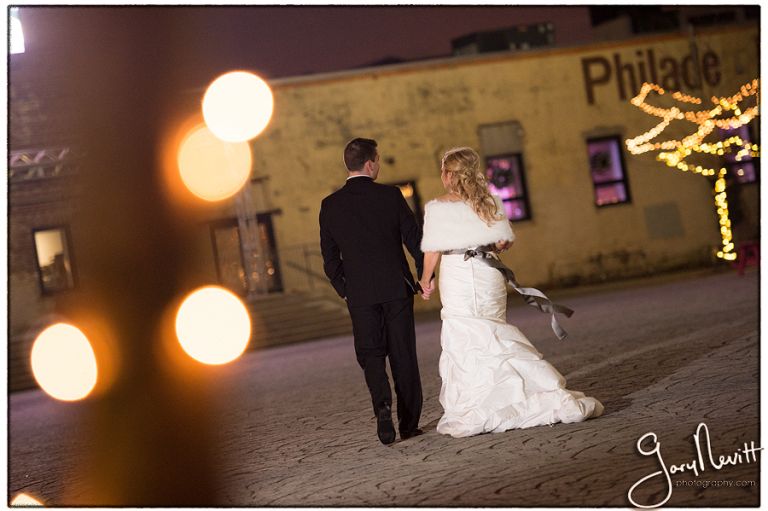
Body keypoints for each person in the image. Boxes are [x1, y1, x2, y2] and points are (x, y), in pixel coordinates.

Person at [418, 147, 604, 438]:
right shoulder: (489, 201)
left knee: (465, 333)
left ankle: (481, 401)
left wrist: (425, 280)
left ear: (447, 175)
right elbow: (504, 242)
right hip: (487, 273)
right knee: (493, 329)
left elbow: (432, 250)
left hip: (457, 274)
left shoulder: (437, 207)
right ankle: (525, 392)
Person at [319, 138, 428, 445]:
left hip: (360, 295)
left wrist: (346, 290)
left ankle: (382, 406)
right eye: (378, 160)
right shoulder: (390, 196)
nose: (379, 165)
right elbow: (414, 239)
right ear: (370, 163)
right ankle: (408, 424)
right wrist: (423, 277)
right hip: (396, 288)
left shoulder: (330, 205)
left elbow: (330, 259)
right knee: (403, 354)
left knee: (371, 354)